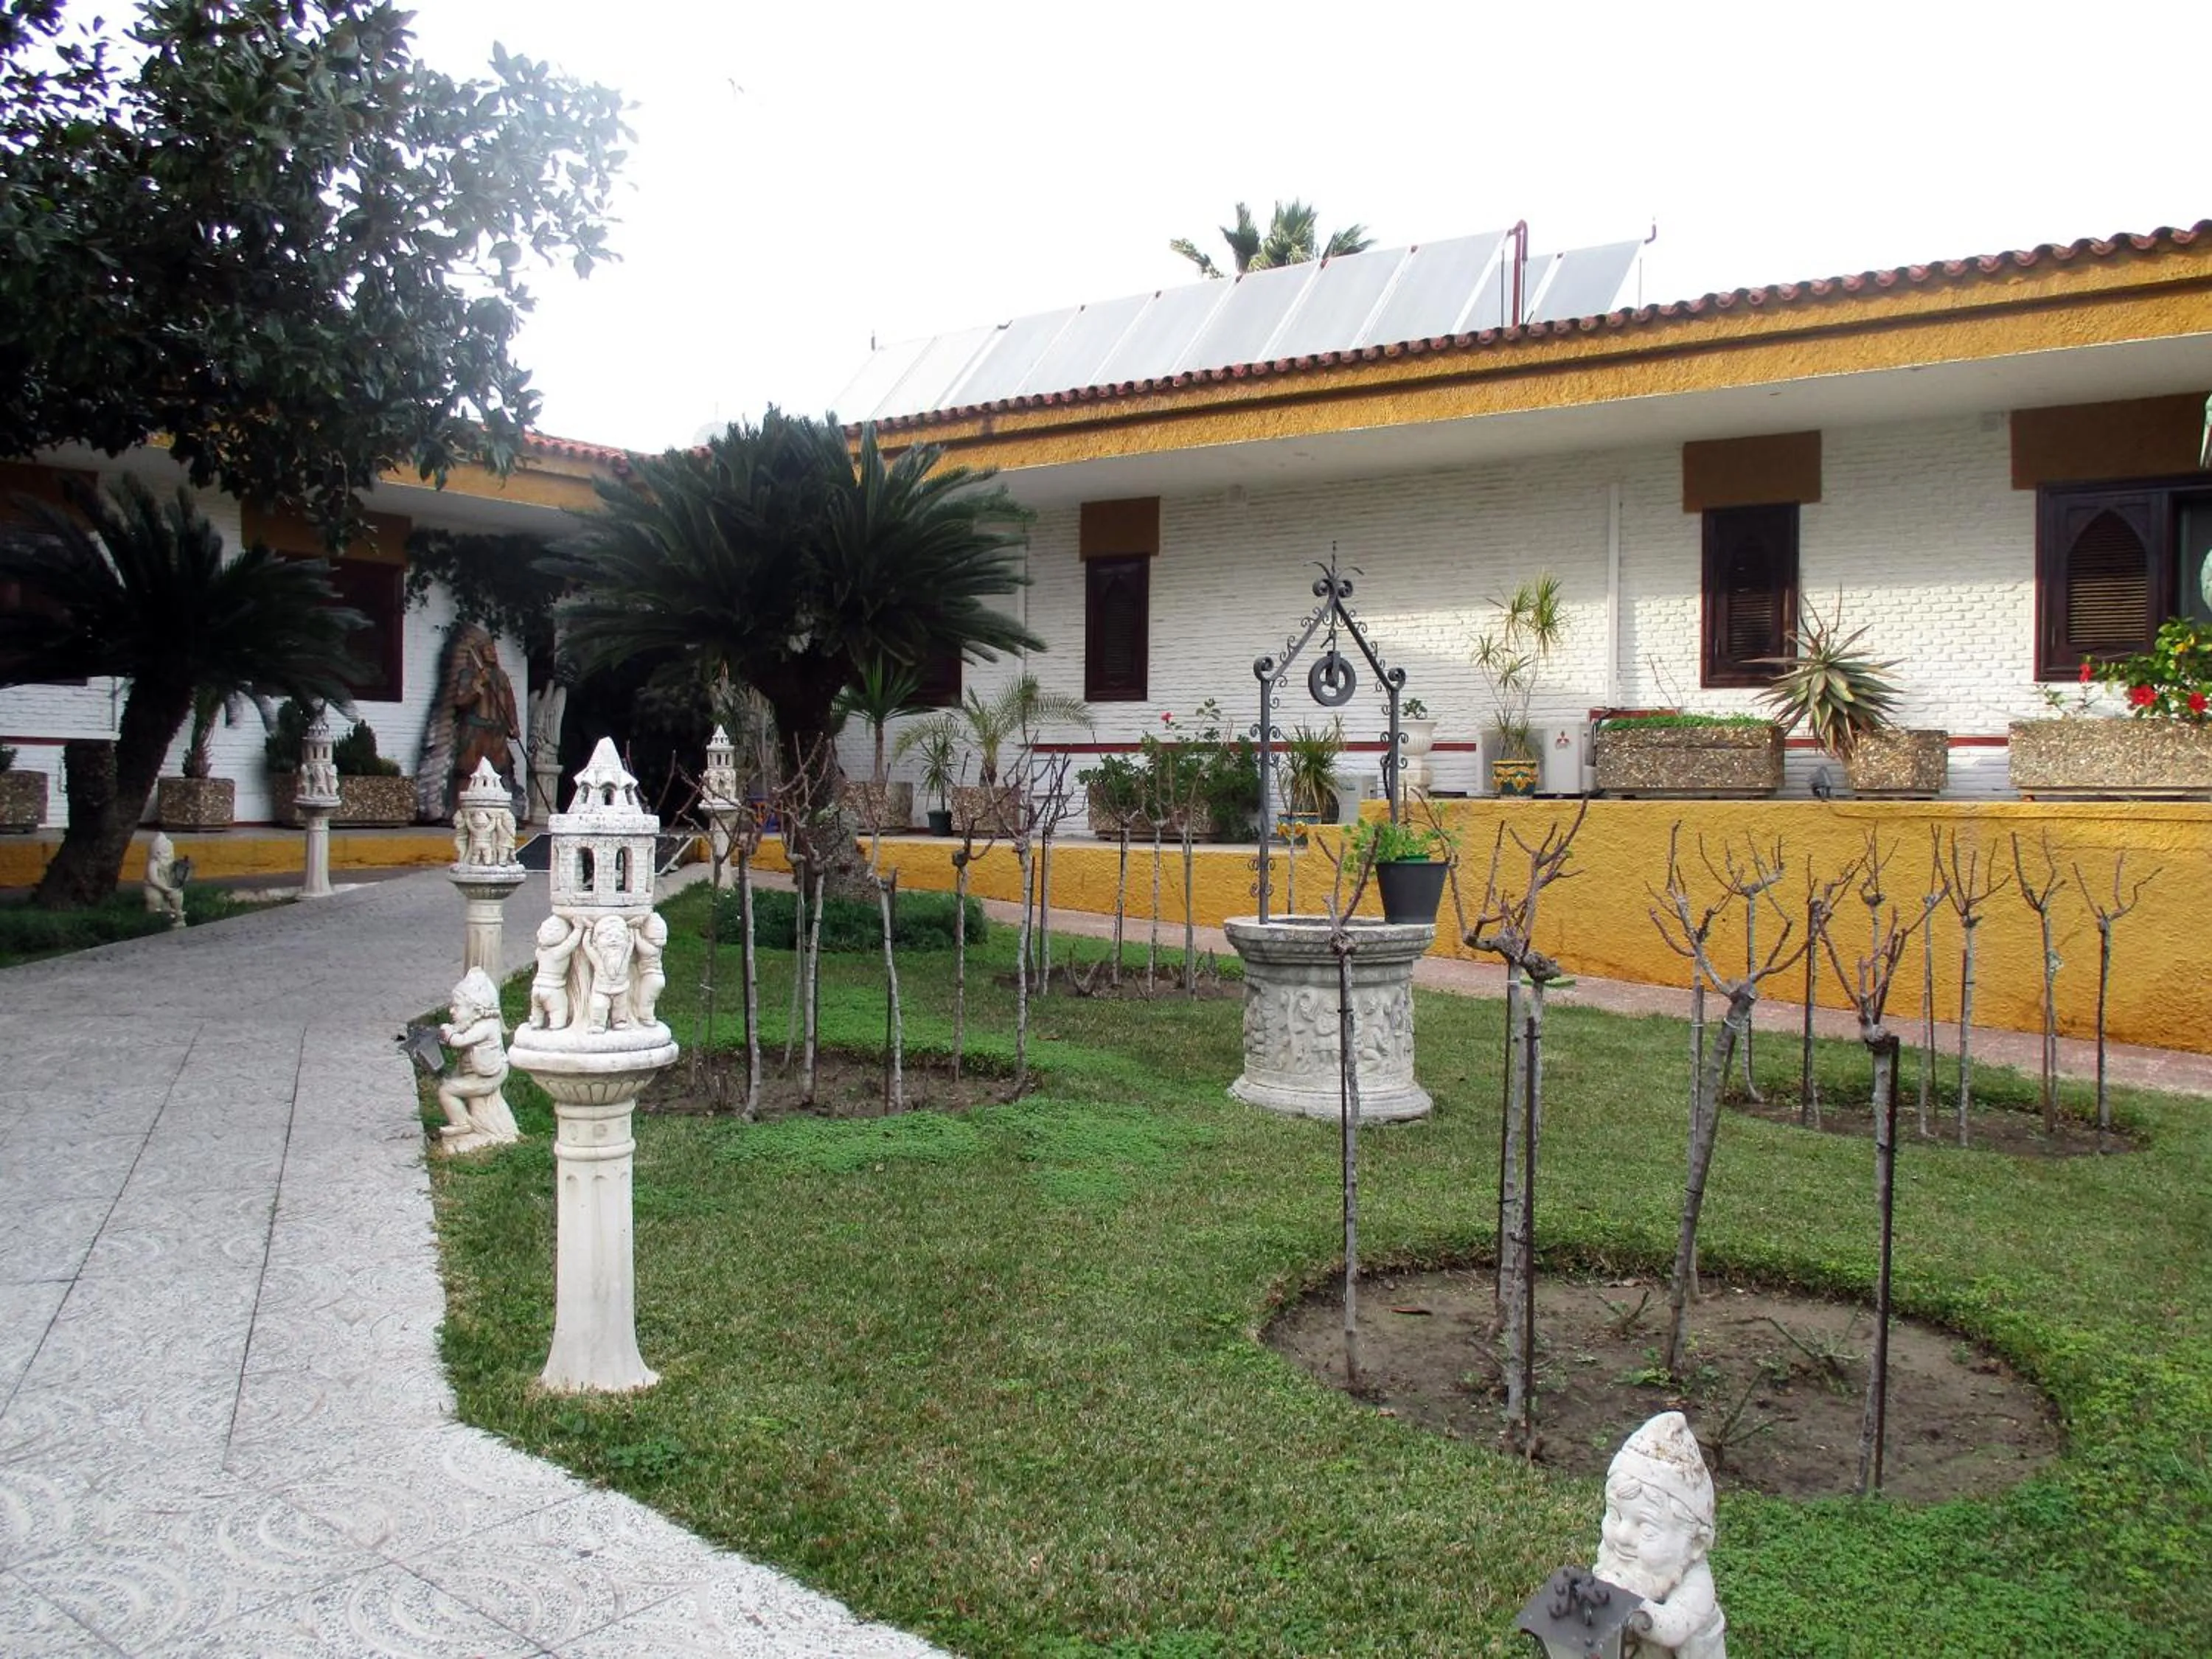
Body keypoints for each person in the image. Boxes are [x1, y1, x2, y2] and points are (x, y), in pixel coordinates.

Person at [1593, 1411, 1728, 1658]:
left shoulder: (1696, 1583)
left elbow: (1672, 1628)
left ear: (1695, 1543)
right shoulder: (1622, 1567)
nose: (1622, 1535)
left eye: (1646, 1528)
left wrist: (1630, 1604)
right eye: (1616, 1515)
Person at [437, 967, 519, 1152]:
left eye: (457, 1006)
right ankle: (469, 1125)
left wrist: (449, 1034)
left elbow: (460, 1041)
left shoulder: (486, 1026)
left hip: (489, 1078)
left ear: (476, 1008)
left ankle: (463, 1124)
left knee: (446, 1091)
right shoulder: (477, 1023)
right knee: (450, 1083)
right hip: (483, 1073)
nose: (451, 1011)